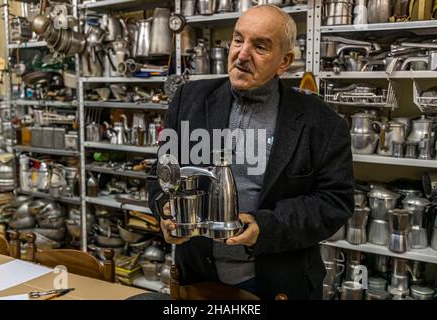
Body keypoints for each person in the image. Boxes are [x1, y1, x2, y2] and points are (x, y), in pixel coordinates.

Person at [147, 4, 354, 300]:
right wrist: (165, 210)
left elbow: (334, 202)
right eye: (238, 39)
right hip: (198, 278)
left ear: (284, 62)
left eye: (260, 46)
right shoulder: (188, 101)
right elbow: (160, 174)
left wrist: (265, 227)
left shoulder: (320, 122)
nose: (242, 54)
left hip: (275, 284)